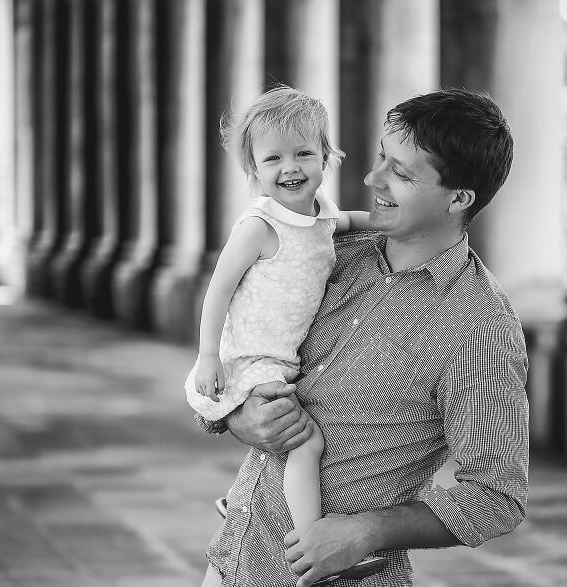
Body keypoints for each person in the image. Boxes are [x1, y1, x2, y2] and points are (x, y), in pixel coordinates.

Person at [197, 88, 529, 587]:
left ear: (459, 197)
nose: (372, 179)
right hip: (236, 557)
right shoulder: (328, 251)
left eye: (401, 172)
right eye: (381, 158)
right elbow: (238, 340)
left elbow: (496, 496)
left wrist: (365, 532)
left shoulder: (478, 329)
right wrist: (236, 416)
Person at [183, 86, 380, 584]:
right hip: (253, 356)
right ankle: (311, 550)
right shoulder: (260, 224)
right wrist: (208, 356)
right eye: (273, 159)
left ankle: (247, 507)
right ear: (254, 170)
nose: (289, 167)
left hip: (282, 356)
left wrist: (391, 224)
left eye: (303, 153)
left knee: (293, 441)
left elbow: (349, 222)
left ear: (327, 156)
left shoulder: (320, 212)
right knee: (305, 443)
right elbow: (219, 289)